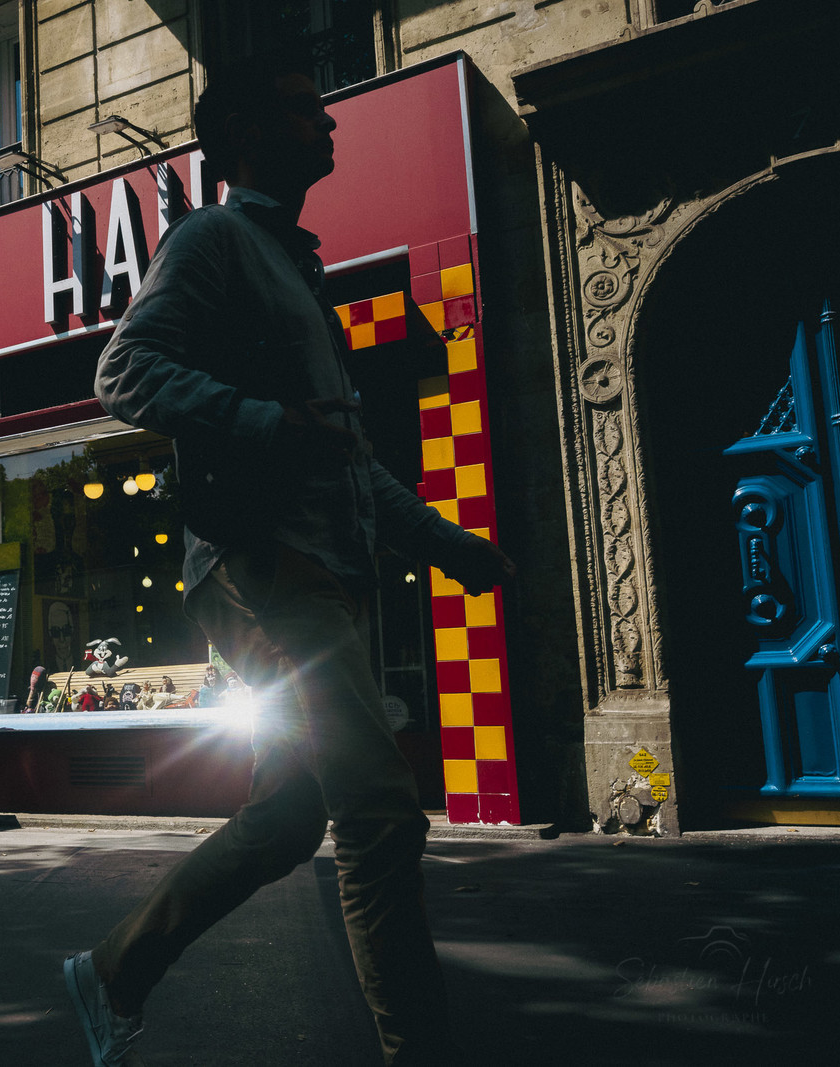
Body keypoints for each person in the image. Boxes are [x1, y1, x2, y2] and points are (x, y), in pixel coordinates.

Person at [63, 50, 516, 1067]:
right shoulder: (214, 238)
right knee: (381, 812)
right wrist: (263, 422)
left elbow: (344, 457)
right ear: (247, 140)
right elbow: (122, 368)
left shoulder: (293, 268)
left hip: (318, 567)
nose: (333, 125)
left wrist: (451, 548)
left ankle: (113, 969)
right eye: (307, 112)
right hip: (261, 565)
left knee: (286, 817)